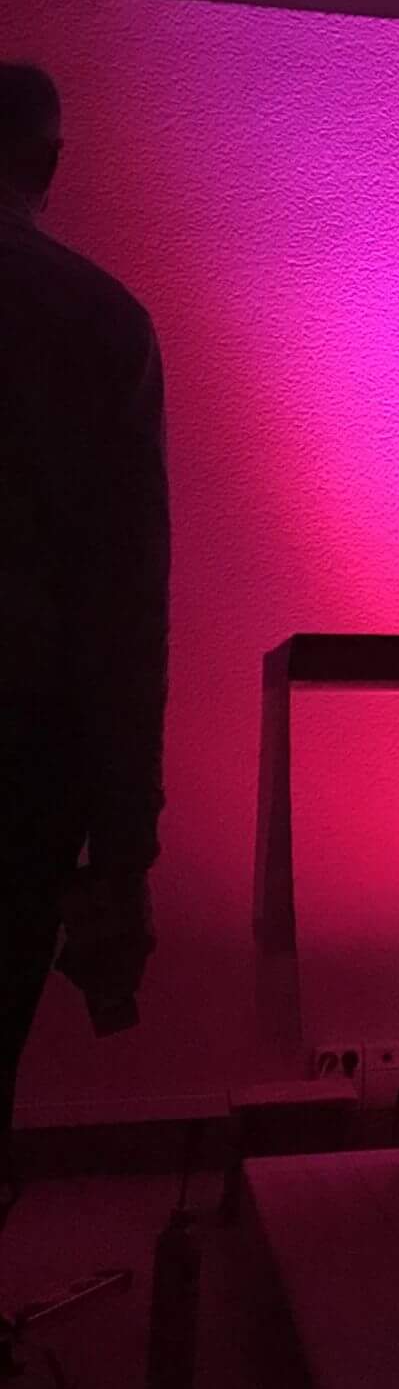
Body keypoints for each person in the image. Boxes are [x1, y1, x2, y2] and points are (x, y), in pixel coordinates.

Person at [0, 65, 168, 1230]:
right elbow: (124, 593)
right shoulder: (98, 323)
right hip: (24, 742)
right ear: (50, 169)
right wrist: (124, 831)